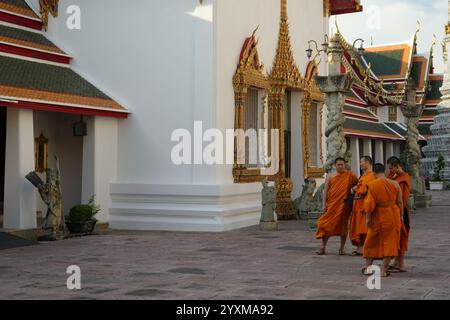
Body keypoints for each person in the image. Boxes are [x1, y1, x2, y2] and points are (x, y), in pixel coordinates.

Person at [362, 163, 403, 277]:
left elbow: (369, 205)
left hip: (378, 215)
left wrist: (368, 218)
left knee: (371, 241)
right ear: (384, 172)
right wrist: (401, 216)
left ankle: (368, 268)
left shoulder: (373, 184)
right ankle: (383, 270)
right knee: (391, 242)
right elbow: (400, 202)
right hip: (392, 215)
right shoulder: (395, 184)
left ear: (374, 173)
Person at [316, 157, 358, 255]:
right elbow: (325, 191)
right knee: (326, 225)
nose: (340, 166)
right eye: (338, 165)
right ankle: (322, 247)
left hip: (344, 205)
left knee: (343, 227)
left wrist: (353, 191)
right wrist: (324, 204)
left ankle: (341, 248)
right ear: (335, 165)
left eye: (342, 165)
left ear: (345, 165)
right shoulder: (330, 176)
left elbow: (359, 185)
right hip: (332, 205)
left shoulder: (350, 175)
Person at [387, 156, 411, 273]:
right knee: (396, 237)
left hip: (400, 211)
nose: (390, 170)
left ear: (397, 166)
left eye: (391, 168)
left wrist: (400, 214)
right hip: (393, 211)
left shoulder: (404, 179)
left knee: (401, 237)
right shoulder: (395, 176)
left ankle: (401, 265)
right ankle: (396, 262)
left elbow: (402, 199)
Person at [349, 156, 376, 256]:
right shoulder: (364, 176)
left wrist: (355, 188)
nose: (360, 164)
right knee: (357, 226)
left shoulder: (371, 176)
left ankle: (364, 248)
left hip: (364, 204)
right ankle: (360, 247)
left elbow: (364, 189)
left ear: (368, 162)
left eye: (361, 162)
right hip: (358, 204)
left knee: (363, 227)